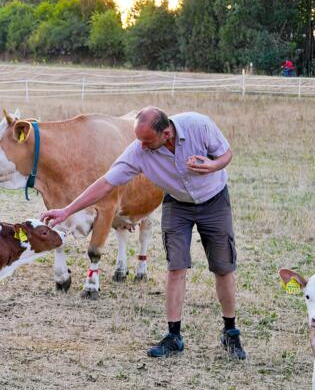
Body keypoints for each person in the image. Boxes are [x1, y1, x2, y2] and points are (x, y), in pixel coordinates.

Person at [41, 107, 246, 360]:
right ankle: (173, 336)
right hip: (178, 203)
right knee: (176, 267)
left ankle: (230, 331)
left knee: (223, 266)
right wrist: (67, 210)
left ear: (167, 132)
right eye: (139, 140)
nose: (142, 147)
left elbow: (226, 154)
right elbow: (106, 183)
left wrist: (213, 165)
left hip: (214, 199)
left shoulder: (198, 125)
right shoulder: (139, 150)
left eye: (148, 141)